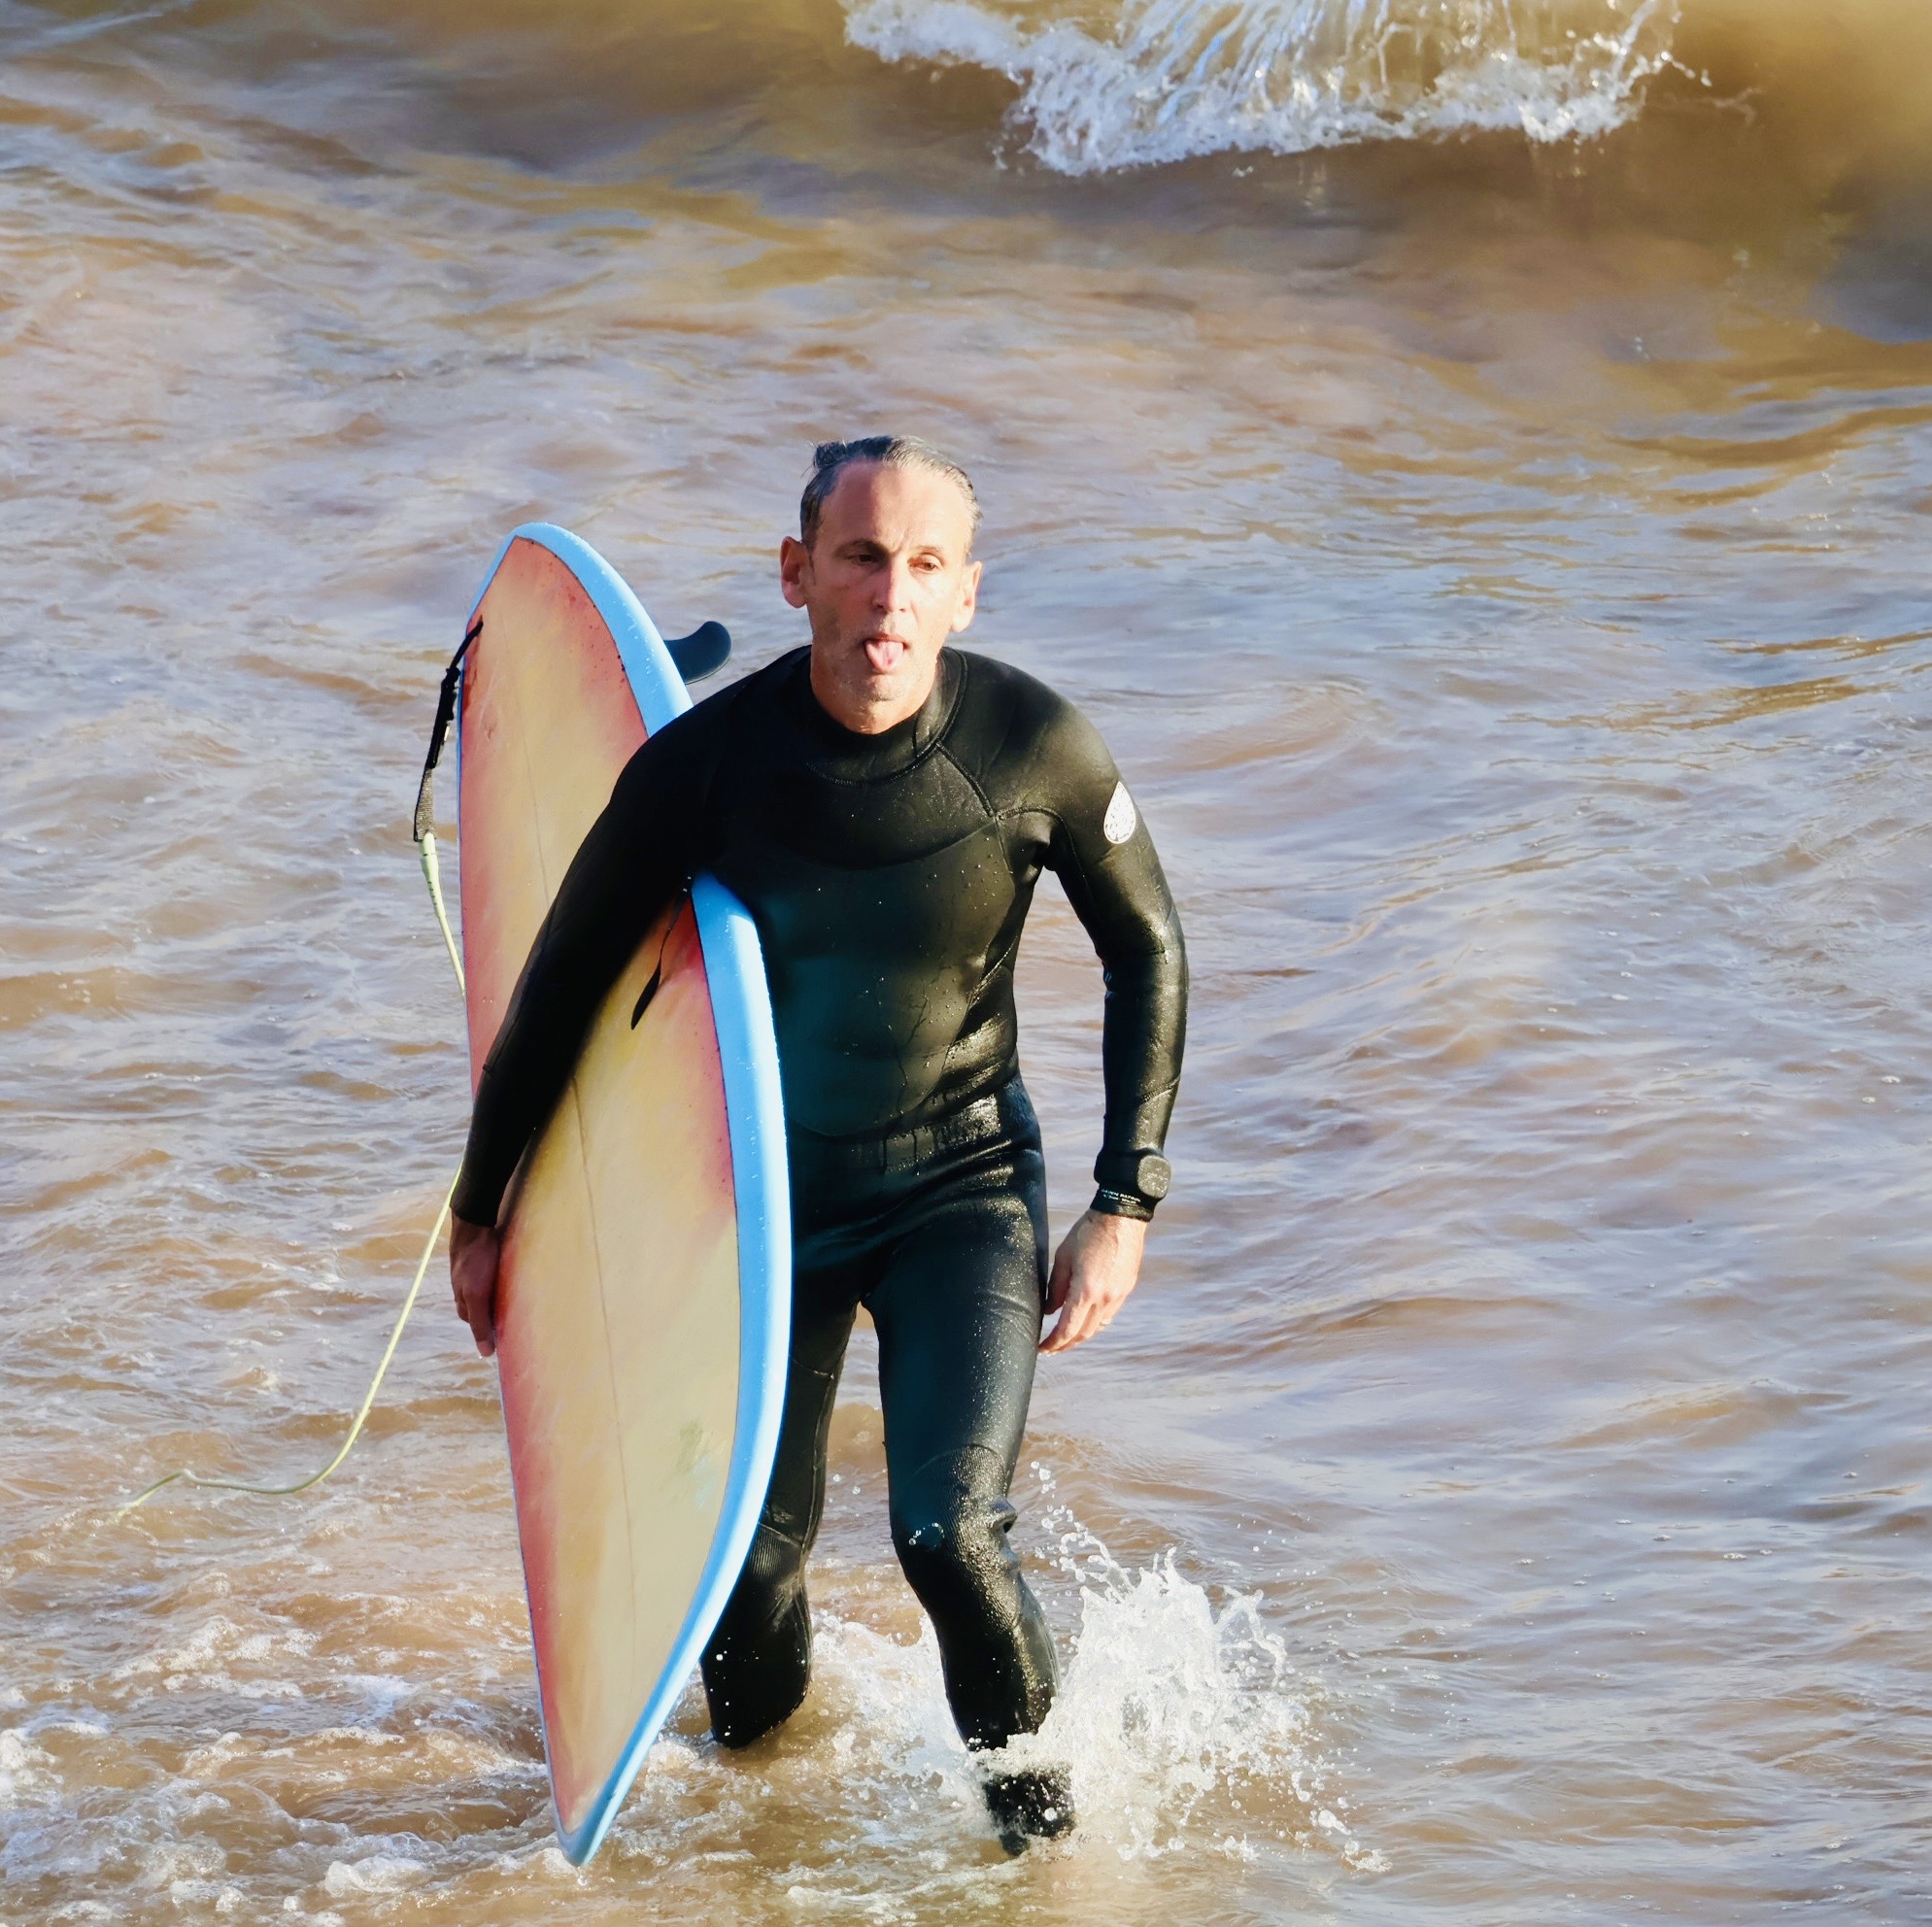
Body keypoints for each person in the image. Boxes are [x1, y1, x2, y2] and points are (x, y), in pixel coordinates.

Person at [447, 435, 1186, 1851]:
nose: (889, 597)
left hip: (960, 1189)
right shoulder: (703, 768)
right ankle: (758, 1840)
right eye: (860, 558)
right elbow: (562, 979)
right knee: (745, 1566)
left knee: (948, 1536)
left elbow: (1146, 947)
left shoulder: (1032, 747)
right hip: (768, 1210)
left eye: (924, 565)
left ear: (966, 591)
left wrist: (1123, 1200)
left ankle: (1041, 1856)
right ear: (796, 574)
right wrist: (485, 1209)